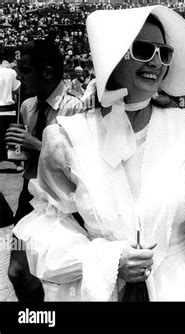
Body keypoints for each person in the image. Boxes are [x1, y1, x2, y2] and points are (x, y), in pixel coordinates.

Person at [11, 5, 185, 301]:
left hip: (183, 288)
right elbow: (48, 226)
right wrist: (107, 260)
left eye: (164, 53)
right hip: (101, 292)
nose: (156, 61)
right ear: (112, 54)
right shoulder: (67, 137)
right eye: (143, 49)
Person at [5, 39, 85, 302]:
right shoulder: (28, 106)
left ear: (48, 72)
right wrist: (21, 148)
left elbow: (80, 161)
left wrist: (37, 145)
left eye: (25, 71)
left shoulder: (75, 106)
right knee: (17, 270)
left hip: (65, 201)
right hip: (29, 199)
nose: (19, 77)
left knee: (73, 272)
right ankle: (36, 314)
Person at [0, 60, 21, 167]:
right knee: (11, 137)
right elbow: (18, 90)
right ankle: (16, 162)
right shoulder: (11, 73)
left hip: (6, 109)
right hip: (8, 110)